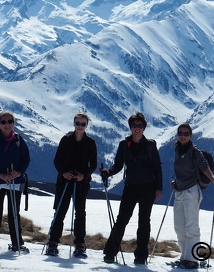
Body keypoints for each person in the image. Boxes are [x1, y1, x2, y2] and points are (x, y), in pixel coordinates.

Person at [100, 112, 163, 265]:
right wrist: (108, 172)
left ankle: (141, 255)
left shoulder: (150, 145)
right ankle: (110, 252)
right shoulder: (124, 144)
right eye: (134, 125)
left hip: (148, 187)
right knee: (122, 219)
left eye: (140, 126)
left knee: (143, 221)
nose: (137, 128)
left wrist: (159, 188)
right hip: (131, 186)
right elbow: (118, 165)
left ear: (144, 128)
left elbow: (157, 167)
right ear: (130, 127)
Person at [46, 112, 98, 257]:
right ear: (74, 124)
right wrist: (64, 173)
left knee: (80, 213)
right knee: (60, 212)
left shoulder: (90, 143)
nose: (80, 126)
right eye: (78, 123)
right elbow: (57, 160)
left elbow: (93, 164)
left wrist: (84, 175)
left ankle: (80, 244)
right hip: (64, 181)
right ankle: (53, 242)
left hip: (81, 182)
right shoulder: (66, 139)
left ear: (86, 126)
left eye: (83, 124)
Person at [171, 123, 214, 269]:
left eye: (186, 133)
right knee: (179, 227)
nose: (183, 136)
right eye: (181, 133)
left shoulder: (195, 152)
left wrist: (213, 179)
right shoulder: (177, 150)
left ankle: (192, 259)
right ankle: (184, 257)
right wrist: (176, 182)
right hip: (179, 191)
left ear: (191, 135)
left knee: (191, 226)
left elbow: (204, 166)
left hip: (191, 192)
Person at [0, 111, 31, 254]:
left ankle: (16, 243)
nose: (7, 124)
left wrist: (19, 171)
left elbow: (26, 159)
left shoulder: (18, 140)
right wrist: (1, 174)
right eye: (3, 122)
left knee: (14, 213)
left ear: (13, 123)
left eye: (10, 121)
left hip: (13, 181)